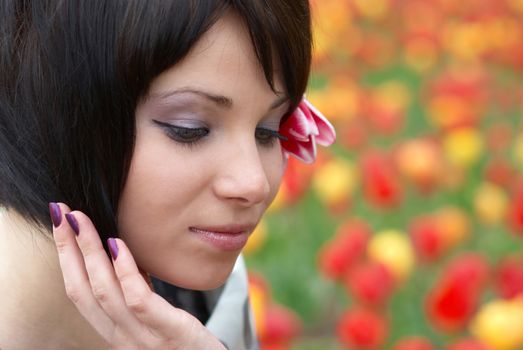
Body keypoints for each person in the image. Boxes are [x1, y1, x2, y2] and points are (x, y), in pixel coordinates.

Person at [0, 0, 335, 349]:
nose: (254, 183)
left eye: (269, 131)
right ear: (56, 113)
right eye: (189, 129)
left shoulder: (206, 302)